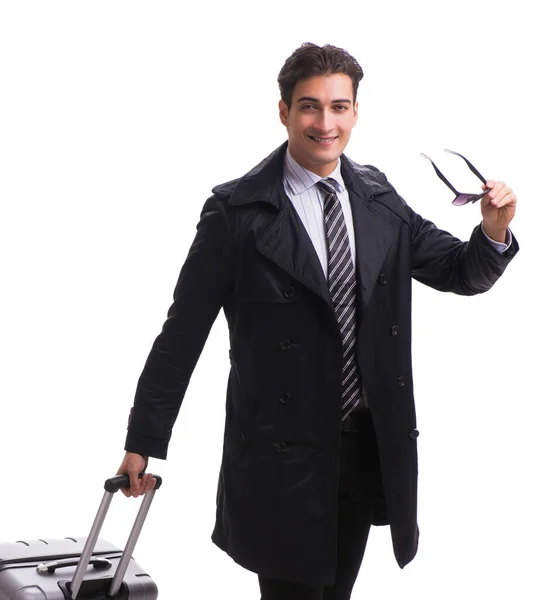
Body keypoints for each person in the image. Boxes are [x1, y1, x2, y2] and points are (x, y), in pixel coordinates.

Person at [116, 43, 519, 599]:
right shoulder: (236, 214)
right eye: (309, 107)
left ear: (355, 111)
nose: (324, 123)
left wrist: (493, 230)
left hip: (362, 447)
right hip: (282, 457)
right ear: (283, 112)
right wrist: (144, 440)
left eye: (338, 107)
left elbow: (459, 271)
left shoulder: (378, 198)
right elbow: (181, 335)